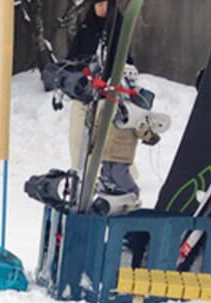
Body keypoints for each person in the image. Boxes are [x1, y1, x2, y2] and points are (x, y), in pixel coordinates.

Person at [64, 0, 164, 212]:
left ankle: (115, 179)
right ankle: (80, 179)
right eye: (97, 4)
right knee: (78, 137)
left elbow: (124, 59)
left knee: (108, 141)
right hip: (83, 91)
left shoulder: (118, 26)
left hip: (108, 93)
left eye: (104, 4)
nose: (101, 9)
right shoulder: (87, 26)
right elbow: (74, 56)